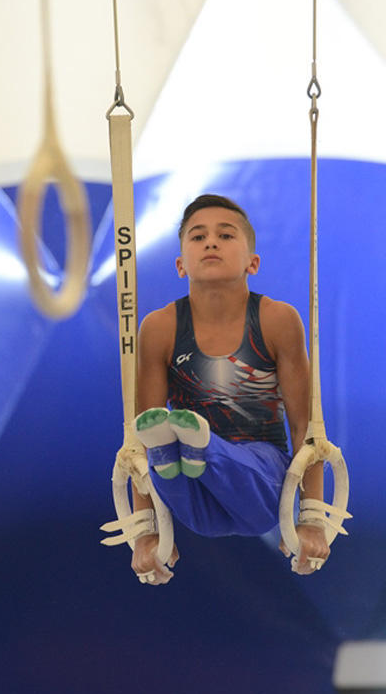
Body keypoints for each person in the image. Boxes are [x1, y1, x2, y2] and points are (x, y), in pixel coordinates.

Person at [130, 193, 329, 585]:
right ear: (180, 264)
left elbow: (307, 428)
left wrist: (312, 516)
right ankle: (182, 449)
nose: (211, 242)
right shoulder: (160, 328)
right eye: (198, 236)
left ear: (253, 262)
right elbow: (138, 439)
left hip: (261, 476)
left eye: (225, 234)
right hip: (194, 495)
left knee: (211, 458)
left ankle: (196, 445)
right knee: (158, 451)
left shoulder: (276, 321)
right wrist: (145, 530)